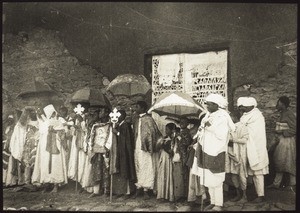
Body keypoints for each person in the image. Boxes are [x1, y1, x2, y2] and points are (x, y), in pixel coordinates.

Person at [191, 93, 235, 211]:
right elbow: (202, 129)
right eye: (206, 104)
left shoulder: (222, 117)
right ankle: (212, 201)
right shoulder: (208, 115)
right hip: (205, 150)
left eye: (209, 104)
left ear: (216, 105)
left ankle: (218, 204)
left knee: (216, 178)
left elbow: (221, 134)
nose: (207, 106)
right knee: (208, 178)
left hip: (216, 151)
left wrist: (209, 127)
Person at [238, 97, 269, 203]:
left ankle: (261, 195)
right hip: (248, 146)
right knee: (250, 171)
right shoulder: (245, 116)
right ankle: (250, 193)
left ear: (251, 106)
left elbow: (253, 132)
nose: (242, 108)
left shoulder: (257, 116)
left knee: (258, 172)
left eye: (243, 106)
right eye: (241, 106)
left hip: (256, 146)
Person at [31, 104, 68, 193]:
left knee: (55, 164)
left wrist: (55, 131)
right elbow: (41, 132)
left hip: (56, 146)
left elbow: (63, 133)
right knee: (45, 164)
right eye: (51, 114)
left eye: (53, 114)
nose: (52, 116)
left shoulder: (58, 122)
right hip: (45, 147)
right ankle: (47, 184)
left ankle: (55, 185)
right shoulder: (45, 123)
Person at [133, 101, 162, 199]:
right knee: (138, 166)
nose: (135, 109)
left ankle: (146, 189)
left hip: (145, 147)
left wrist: (150, 145)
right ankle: (139, 187)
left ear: (142, 108)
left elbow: (153, 132)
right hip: (137, 146)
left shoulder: (149, 119)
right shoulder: (136, 119)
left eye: (137, 106)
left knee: (146, 166)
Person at [267, 96, 296, 191]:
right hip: (280, 141)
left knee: (288, 162)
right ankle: (276, 183)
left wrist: (282, 132)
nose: (277, 104)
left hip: (287, 141)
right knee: (279, 161)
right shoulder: (282, 113)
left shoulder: (289, 114)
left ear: (283, 104)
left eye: (278, 103)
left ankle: (293, 184)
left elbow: (294, 129)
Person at [85, 106, 114, 198]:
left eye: (102, 111)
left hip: (105, 149)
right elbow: (92, 136)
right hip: (97, 150)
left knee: (106, 169)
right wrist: (91, 146)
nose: (100, 113)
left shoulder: (110, 124)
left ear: (106, 113)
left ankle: (106, 190)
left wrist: (107, 147)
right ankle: (96, 190)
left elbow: (111, 137)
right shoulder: (96, 125)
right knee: (96, 169)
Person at [225, 100, 249, 203]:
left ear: (234, 118)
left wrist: (233, 140)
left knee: (241, 175)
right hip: (231, 154)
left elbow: (245, 140)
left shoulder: (242, 127)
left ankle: (244, 196)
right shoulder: (229, 128)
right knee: (233, 175)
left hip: (239, 154)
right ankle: (238, 194)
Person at [111, 109, 136, 198]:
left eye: (118, 115)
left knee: (125, 170)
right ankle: (121, 191)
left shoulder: (125, 125)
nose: (117, 117)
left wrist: (116, 132)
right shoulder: (120, 125)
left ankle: (127, 192)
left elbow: (125, 138)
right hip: (120, 150)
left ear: (123, 116)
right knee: (121, 170)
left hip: (125, 152)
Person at [156, 122, 176, 202]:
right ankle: (162, 195)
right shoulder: (164, 138)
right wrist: (161, 142)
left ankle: (168, 195)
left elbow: (171, 152)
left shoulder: (173, 139)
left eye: (167, 129)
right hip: (163, 158)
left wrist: (165, 145)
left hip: (168, 159)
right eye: (165, 129)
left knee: (167, 175)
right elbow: (157, 147)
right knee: (162, 174)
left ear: (172, 130)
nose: (166, 131)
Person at [3, 114, 17, 186]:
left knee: (11, 164)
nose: (9, 121)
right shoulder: (6, 128)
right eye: (9, 119)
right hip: (5, 147)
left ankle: (10, 182)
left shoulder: (14, 128)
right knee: (5, 164)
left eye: (11, 120)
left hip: (12, 147)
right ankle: (4, 180)